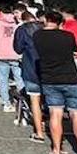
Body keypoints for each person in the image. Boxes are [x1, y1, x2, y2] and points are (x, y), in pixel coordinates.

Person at [34, 12, 77, 154]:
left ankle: (56, 149)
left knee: (55, 114)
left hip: (49, 79)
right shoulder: (68, 36)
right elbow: (75, 53)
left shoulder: (37, 36)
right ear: (60, 22)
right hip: (70, 78)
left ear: (46, 20)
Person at [13, 9, 46, 142]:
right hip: (48, 69)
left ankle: (39, 132)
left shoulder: (22, 30)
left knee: (35, 101)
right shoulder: (44, 28)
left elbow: (18, 48)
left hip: (30, 68)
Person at [0, 4, 23, 113]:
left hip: (0, 54)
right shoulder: (16, 23)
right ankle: (24, 101)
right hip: (15, 55)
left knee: (3, 80)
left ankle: (6, 103)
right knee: (19, 79)